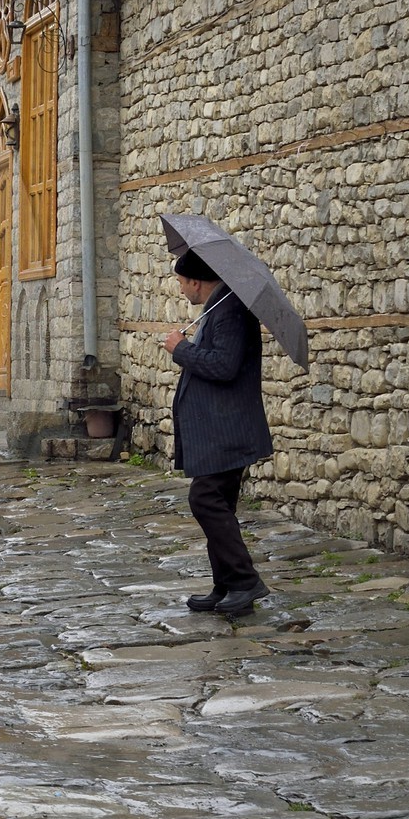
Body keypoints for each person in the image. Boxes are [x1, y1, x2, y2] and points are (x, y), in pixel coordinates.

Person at [163, 248, 274, 617]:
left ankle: (244, 580)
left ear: (195, 281)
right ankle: (226, 585)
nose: (181, 290)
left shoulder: (229, 310)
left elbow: (224, 366)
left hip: (228, 428)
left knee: (205, 499)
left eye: (181, 283)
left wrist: (181, 350)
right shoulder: (219, 307)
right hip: (220, 430)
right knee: (218, 503)